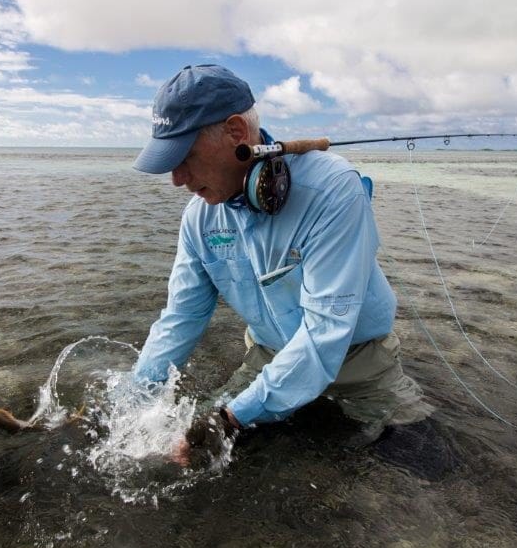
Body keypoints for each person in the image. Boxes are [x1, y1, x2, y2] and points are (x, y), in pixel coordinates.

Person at [131, 64, 437, 465]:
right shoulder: (199, 218)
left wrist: (231, 418)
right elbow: (180, 318)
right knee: (185, 453)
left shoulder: (332, 190)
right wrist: (134, 400)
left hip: (358, 364)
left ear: (237, 132)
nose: (176, 179)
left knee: (428, 463)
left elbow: (326, 331)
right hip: (268, 357)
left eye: (184, 156)